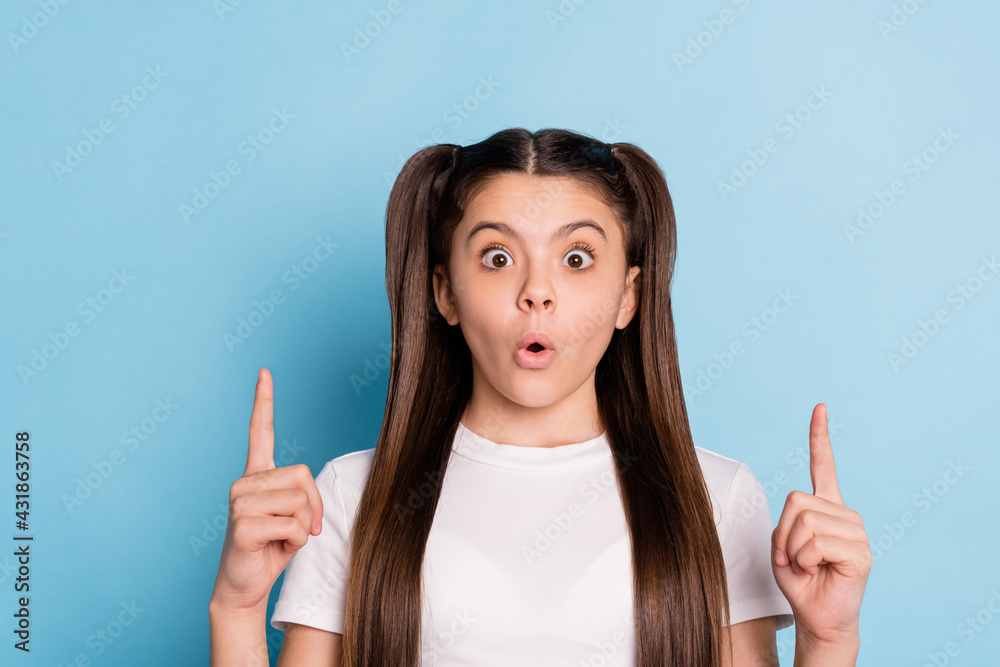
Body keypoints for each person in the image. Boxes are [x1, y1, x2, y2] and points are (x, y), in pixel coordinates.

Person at [209, 128, 872, 666]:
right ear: (444, 291)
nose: (537, 291)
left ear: (628, 296)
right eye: (497, 257)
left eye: (577, 258)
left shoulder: (717, 497)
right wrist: (237, 608)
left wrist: (829, 640)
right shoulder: (356, 495)